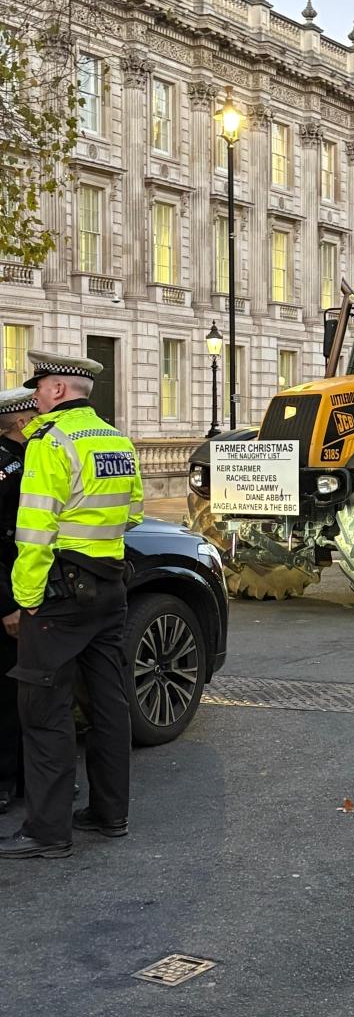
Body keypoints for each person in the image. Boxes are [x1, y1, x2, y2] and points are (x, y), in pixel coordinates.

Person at [0, 351, 144, 860]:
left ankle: (47, 831)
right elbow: (134, 512)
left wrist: (27, 600)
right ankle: (110, 814)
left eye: (38, 388)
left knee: (44, 711)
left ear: (59, 390)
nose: (33, 398)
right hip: (110, 587)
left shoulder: (49, 441)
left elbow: (34, 530)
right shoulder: (116, 439)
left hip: (59, 594)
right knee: (108, 703)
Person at [0, 388, 40, 814]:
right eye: (34, 412)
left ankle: (31, 779)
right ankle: (6, 780)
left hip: (33, 593)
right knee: (8, 695)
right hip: (12, 597)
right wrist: (8, 605)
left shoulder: (32, 458)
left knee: (34, 693)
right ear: (20, 422)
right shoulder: (6, 467)